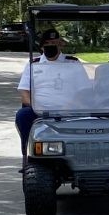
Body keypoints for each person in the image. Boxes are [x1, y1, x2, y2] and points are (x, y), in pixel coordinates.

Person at [15, 27, 89, 169]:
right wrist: (35, 107)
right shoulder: (34, 64)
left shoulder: (73, 63)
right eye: (48, 43)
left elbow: (83, 91)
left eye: (55, 43)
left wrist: (70, 106)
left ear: (60, 44)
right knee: (22, 115)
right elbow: (24, 92)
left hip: (70, 110)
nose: (51, 46)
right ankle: (27, 157)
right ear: (42, 46)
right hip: (40, 110)